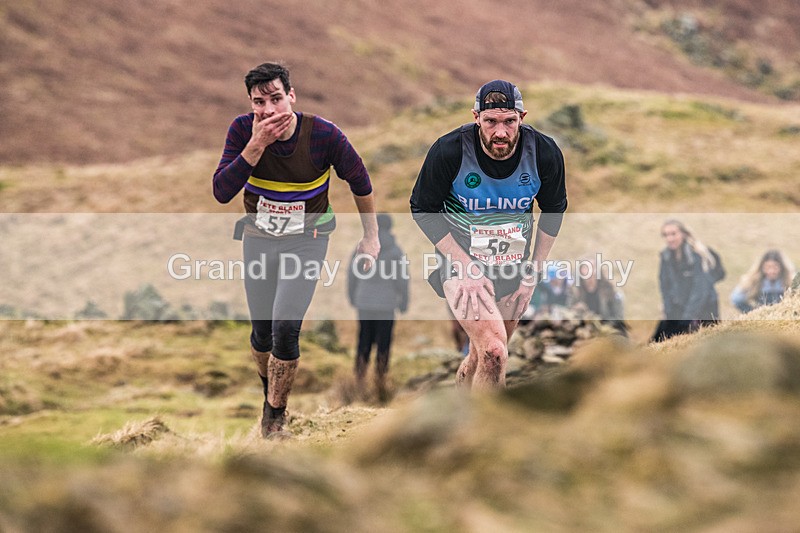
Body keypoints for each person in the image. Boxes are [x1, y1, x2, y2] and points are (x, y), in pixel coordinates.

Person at [212, 62, 379, 438]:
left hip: (309, 240)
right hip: (259, 238)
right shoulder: (241, 131)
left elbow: (360, 180)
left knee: (286, 328)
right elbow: (222, 191)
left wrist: (372, 238)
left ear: (291, 96)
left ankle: (275, 418)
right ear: (251, 105)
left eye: (275, 98)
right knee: (262, 335)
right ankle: (270, 394)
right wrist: (255, 146)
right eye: (259, 102)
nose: (268, 110)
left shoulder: (323, 134)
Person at [410, 79, 568, 390]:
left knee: (483, 355)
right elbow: (421, 207)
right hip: (461, 268)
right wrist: (464, 265)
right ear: (476, 118)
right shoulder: (450, 151)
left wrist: (532, 274)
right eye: (490, 121)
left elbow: (553, 210)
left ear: (521, 118)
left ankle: (459, 409)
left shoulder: (543, 153)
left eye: (509, 122)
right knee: (495, 352)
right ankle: (487, 432)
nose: (500, 132)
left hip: (513, 269)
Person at [347, 214, 409, 401]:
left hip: (364, 303)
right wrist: (403, 301)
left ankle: (359, 381)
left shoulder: (363, 247)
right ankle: (380, 382)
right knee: (384, 343)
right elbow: (402, 279)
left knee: (363, 340)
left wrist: (353, 297)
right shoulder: (396, 251)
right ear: (390, 227)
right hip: (387, 304)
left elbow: (352, 276)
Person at [651, 219, 723, 342]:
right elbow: (664, 285)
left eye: (673, 234)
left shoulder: (697, 255)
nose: (670, 239)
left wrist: (686, 319)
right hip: (679, 307)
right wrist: (669, 313)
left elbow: (700, 290)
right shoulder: (666, 256)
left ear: (683, 233)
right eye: (666, 235)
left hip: (704, 308)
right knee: (657, 340)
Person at [570, 259, 628, 336]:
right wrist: (576, 310)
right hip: (585, 333)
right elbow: (569, 313)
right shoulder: (576, 292)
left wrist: (597, 322)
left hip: (609, 332)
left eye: (592, 269)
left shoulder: (612, 292)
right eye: (586, 269)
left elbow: (618, 318)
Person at [731, 249, 795, 313]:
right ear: (762, 267)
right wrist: (752, 312)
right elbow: (737, 299)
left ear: (782, 268)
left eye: (775, 267)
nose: (771, 271)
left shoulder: (791, 282)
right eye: (768, 267)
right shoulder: (754, 281)